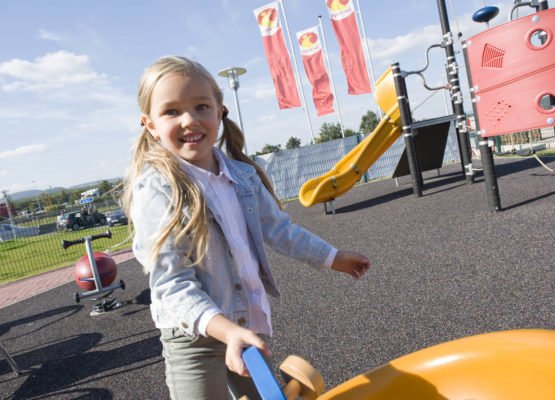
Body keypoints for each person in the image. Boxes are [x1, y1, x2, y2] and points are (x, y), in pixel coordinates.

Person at [122, 56, 371, 400]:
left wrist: (332, 257)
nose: (190, 120)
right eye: (171, 112)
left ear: (220, 110)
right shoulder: (158, 190)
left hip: (244, 324)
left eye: (201, 106)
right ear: (149, 124)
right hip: (192, 338)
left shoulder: (242, 177)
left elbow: (281, 230)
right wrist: (225, 331)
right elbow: (171, 285)